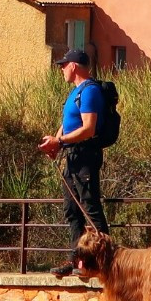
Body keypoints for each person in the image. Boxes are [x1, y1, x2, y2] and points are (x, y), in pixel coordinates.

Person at [40, 48, 110, 279]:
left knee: (89, 208)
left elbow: (88, 128)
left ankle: (102, 262)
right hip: (72, 157)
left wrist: (59, 140)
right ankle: (77, 260)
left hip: (85, 156)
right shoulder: (75, 93)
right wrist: (56, 144)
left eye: (64, 64)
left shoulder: (89, 91)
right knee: (72, 211)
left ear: (74, 66)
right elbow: (68, 124)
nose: (61, 69)